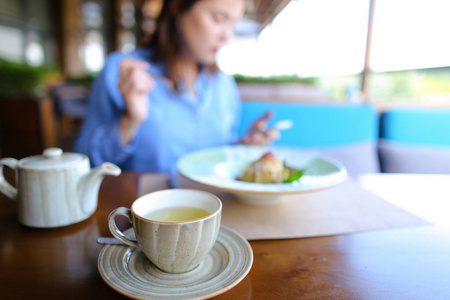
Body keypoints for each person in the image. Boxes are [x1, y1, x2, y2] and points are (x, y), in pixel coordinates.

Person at [75, 0, 279, 174]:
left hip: (211, 211)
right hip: (145, 214)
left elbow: (217, 154)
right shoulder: (121, 71)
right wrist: (130, 121)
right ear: (178, 6)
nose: (227, 35)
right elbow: (84, 165)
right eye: (219, 19)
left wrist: (242, 146)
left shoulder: (223, 84)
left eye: (233, 23)